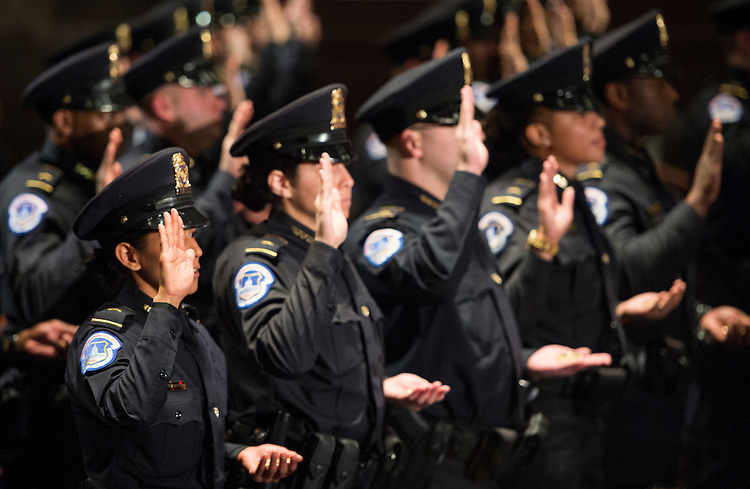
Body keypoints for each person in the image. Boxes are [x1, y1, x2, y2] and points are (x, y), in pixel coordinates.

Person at [346, 47, 612, 489]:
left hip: (483, 458)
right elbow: (433, 274)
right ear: (413, 142)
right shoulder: (381, 231)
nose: (476, 134)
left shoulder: (451, 219)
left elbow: (463, 334)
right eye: (460, 125)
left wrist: (523, 358)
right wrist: (469, 175)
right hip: (427, 461)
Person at [214, 84, 450, 489]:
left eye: (342, 163)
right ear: (280, 183)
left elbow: (322, 370)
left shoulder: (328, 249)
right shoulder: (253, 262)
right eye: (324, 168)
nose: (344, 179)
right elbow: (285, 358)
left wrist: (375, 388)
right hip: (291, 476)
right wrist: (324, 247)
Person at [478, 40, 686, 488]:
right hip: (541, 418)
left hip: (590, 410)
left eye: (594, 109)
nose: (597, 120)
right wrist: (544, 245)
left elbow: (566, 306)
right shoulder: (511, 206)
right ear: (538, 135)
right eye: (578, 113)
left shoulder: (571, 194)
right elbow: (503, 319)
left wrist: (621, 313)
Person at [66, 147, 302, 489]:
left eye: (191, 235)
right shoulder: (106, 337)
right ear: (129, 256)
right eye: (176, 241)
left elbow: (184, 444)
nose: (195, 250)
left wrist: (237, 453)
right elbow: (132, 411)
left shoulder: (191, 328)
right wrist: (166, 301)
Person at [581, 11, 729, 487]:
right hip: (628, 398)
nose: (672, 93)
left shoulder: (640, 168)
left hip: (665, 384)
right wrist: (699, 201)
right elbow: (628, 270)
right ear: (618, 95)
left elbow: (665, 272)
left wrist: (697, 314)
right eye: (657, 81)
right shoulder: (601, 178)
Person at [0, 41, 131, 489]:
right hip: (46, 402)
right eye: (104, 113)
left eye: (119, 111)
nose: (118, 125)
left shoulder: (94, 177)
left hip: (98, 391)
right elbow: (36, 294)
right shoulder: (32, 194)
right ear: (63, 120)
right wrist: (98, 214)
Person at [663, 1, 750, 486]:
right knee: (728, 439)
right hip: (730, 286)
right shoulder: (725, 100)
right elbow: (737, 163)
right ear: (743, 38)